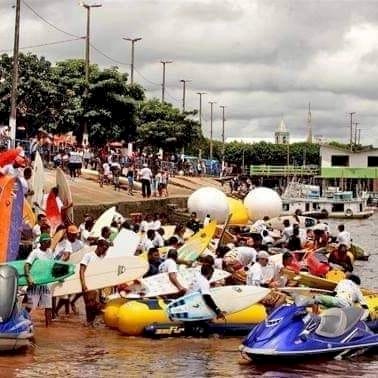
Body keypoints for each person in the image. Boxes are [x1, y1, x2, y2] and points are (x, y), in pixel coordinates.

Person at [24, 233, 54, 327]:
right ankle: (23, 323)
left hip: (46, 283)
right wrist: (29, 278)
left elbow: (52, 265)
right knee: (30, 306)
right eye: (48, 241)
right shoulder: (35, 252)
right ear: (43, 242)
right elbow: (26, 265)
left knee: (48, 307)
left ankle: (48, 328)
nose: (50, 243)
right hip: (35, 283)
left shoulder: (50, 252)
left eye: (50, 241)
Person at [80, 239, 110, 326]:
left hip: (97, 286)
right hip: (87, 284)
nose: (105, 251)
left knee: (92, 307)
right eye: (104, 248)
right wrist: (83, 284)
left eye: (106, 249)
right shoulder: (88, 256)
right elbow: (82, 270)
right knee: (91, 305)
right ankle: (90, 324)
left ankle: (89, 326)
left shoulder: (102, 258)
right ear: (99, 247)